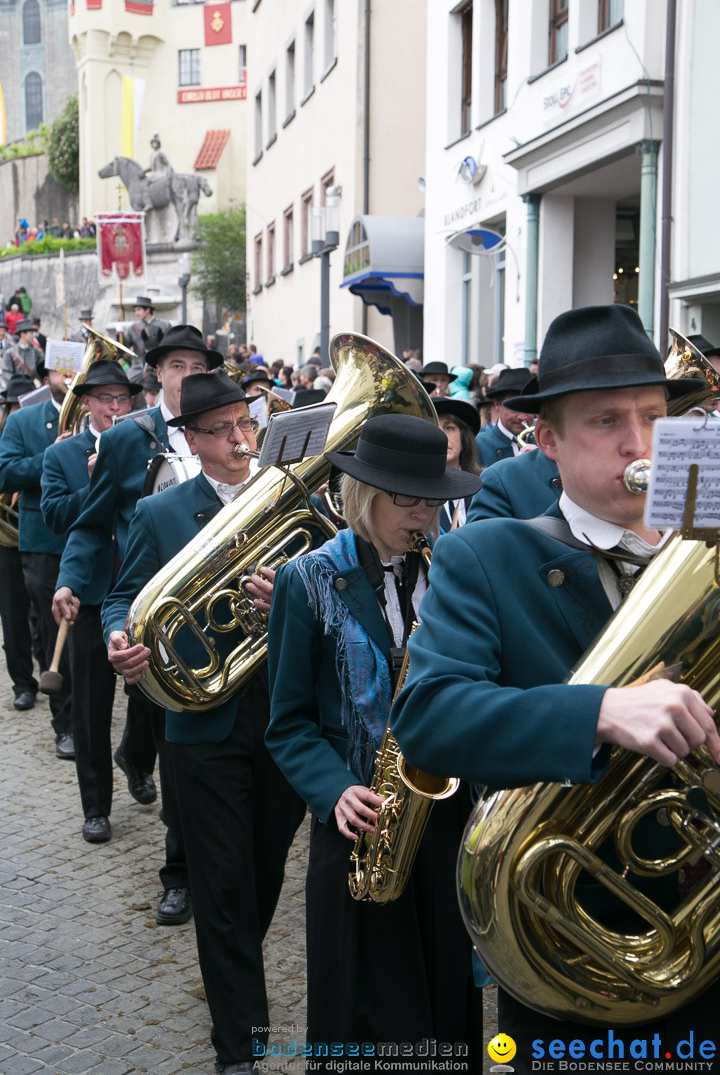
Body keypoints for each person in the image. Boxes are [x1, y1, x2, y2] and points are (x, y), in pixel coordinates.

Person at [391, 304, 718, 1072]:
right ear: (547, 441)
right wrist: (599, 710)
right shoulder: (487, 556)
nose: (637, 443)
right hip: (576, 950)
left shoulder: (708, 544)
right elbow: (428, 719)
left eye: (650, 416)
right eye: (605, 422)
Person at [103, 372, 306, 1075]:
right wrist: (117, 638)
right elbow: (122, 596)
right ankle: (240, 1044)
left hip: (284, 712)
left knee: (265, 868)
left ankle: (231, 968)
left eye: (245, 424)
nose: (239, 439)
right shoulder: (161, 514)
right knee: (220, 881)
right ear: (191, 440)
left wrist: (295, 596)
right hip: (200, 718)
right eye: (220, 430)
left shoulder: (290, 500)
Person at [266, 414, 484, 1071]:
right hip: (360, 822)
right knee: (362, 1001)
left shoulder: (451, 571)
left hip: (444, 818)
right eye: (408, 499)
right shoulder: (303, 581)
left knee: (447, 992)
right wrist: (336, 792)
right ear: (364, 494)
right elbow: (289, 722)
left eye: (433, 500)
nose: (424, 514)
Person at [52, 324, 222, 924]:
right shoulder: (130, 440)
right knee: (145, 730)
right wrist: (70, 579)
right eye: (176, 365)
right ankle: (168, 865)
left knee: (179, 743)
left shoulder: (233, 435)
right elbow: (94, 522)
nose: (187, 375)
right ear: (158, 375)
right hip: (145, 607)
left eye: (198, 365)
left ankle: (189, 848)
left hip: (215, 612)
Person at [41, 361, 156, 844]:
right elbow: (57, 516)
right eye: (105, 399)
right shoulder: (62, 454)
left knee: (149, 696)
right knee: (90, 707)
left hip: (139, 593)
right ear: (85, 402)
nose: (115, 407)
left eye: (122, 399)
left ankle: (134, 754)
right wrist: (97, 481)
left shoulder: (147, 448)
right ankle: (95, 807)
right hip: (90, 595)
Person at [0, 354, 74, 759]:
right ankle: (65, 723)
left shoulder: (101, 418)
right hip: (43, 540)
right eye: (66, 371)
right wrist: (53, 454)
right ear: (48, 377)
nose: (73, 379)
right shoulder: (24, 421)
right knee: (51, 632)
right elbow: (6, 473)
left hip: (93, 537)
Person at [0, 374, 40, 710]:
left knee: (40, 618)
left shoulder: (42, 431)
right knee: (13, 618)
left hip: (37, 536)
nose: (17, 411)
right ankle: (22, 684)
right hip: (6, 541)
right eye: (12, 406)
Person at [433, 396, 482, 530]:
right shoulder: (416, 491)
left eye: (449, 428)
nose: (442, 436)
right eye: (435, 428)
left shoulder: (483, 484)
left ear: (463, 437)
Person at [475, 366, 535, 467]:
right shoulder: (478, 445)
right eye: (514, 407)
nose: (523, 417)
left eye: (529, 408)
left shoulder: (545, 442)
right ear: (497, 405)